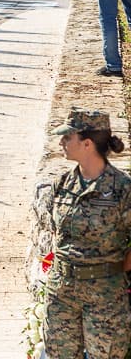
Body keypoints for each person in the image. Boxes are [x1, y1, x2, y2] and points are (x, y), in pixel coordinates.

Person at [43, 109, 131, 358]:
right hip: (62, 293)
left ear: (87, 143)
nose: (61, 142)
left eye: (67, 137)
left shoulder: (122, 189)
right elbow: (55, 231)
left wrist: (117, 267)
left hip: (104, 295)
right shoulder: (61, 184)